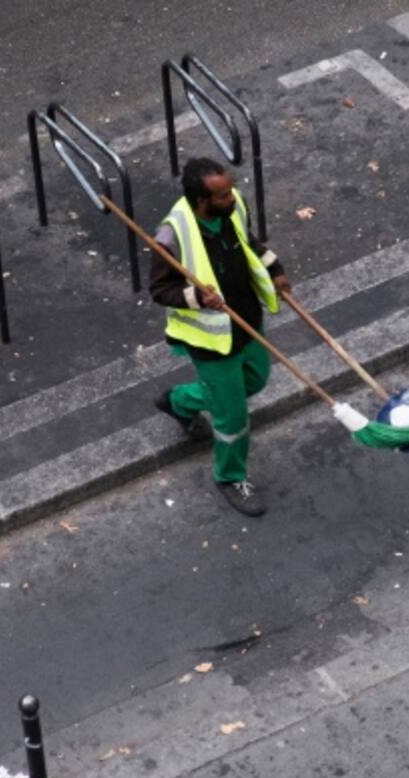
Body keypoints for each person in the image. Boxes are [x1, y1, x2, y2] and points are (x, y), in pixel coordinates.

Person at [149, 157, 291, 517]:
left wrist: (275, 270)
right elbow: (159, 289)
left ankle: (180, 402)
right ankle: (230, 477)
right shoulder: (172, 235)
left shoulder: (233, 206)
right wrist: (196, 297)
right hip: (213, 341)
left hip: (247, 321)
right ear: (202, 200)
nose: (233, 197)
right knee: (232, 417)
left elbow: (250, 242)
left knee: (256, 380)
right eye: (224, 194)